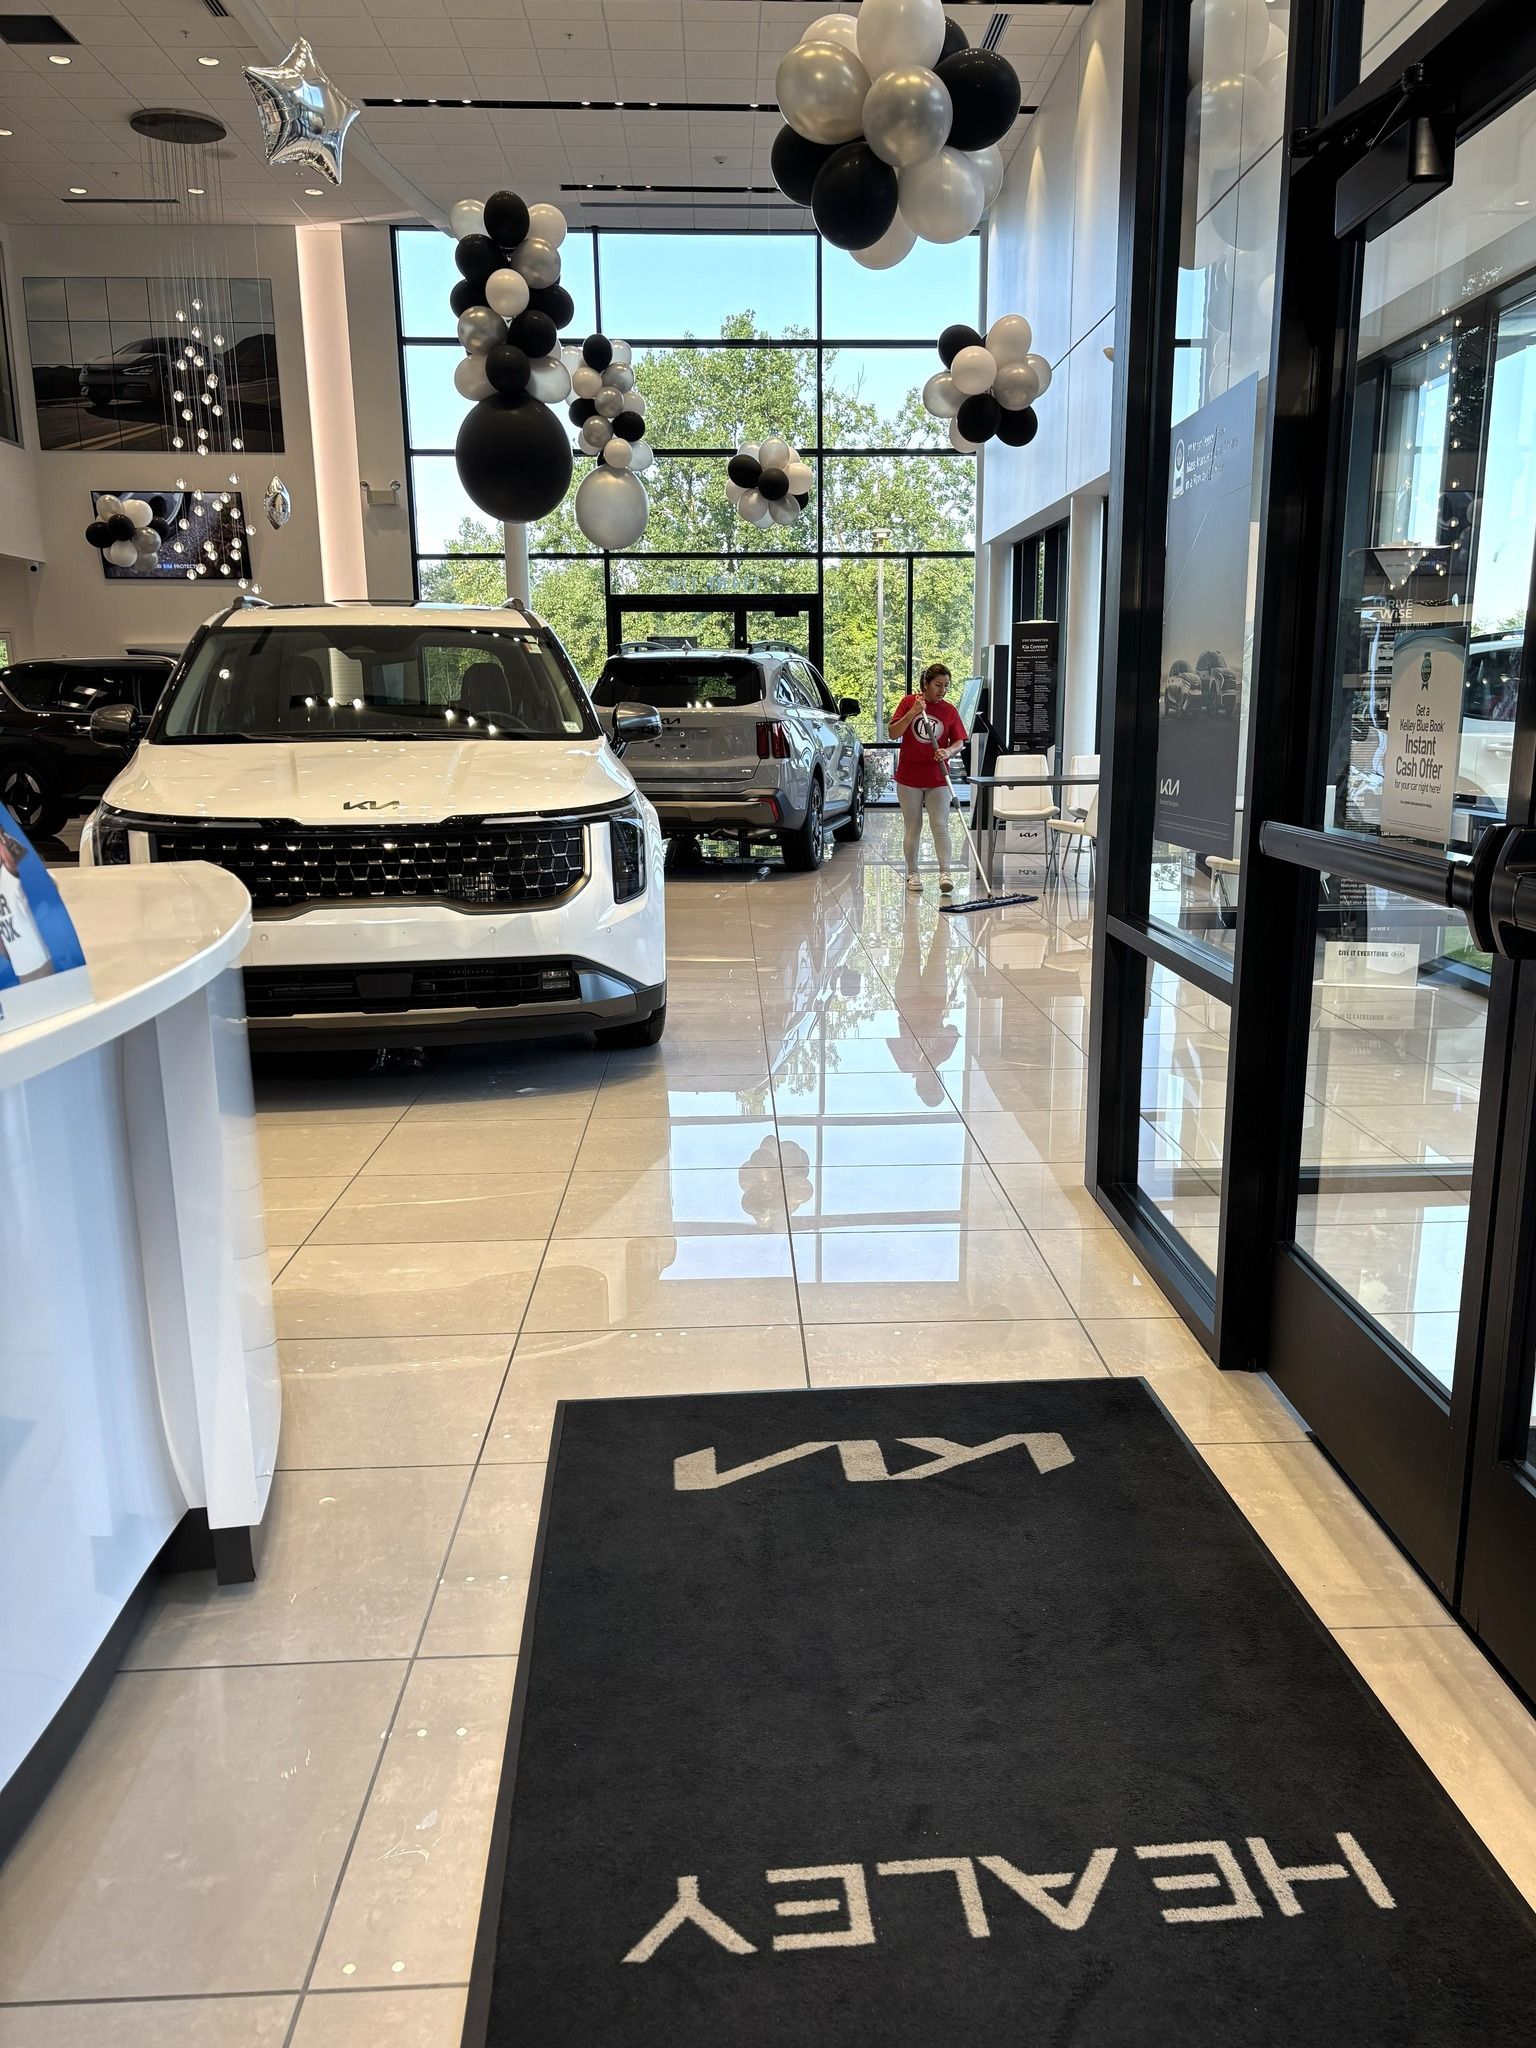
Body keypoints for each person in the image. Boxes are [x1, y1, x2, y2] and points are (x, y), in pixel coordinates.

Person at [888, 662, 968, 895]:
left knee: (940, 825)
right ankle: (912, 873)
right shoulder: (908, 703)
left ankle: (945, 873)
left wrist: (948, 752)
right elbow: (893, 733)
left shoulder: (949, 711)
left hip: (938, 776)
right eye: (937, 685)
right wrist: (912, 712)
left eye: (946, 686)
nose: (942, 690)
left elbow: (959, 741)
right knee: (913, 827)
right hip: (909, 777)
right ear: (926, 684)